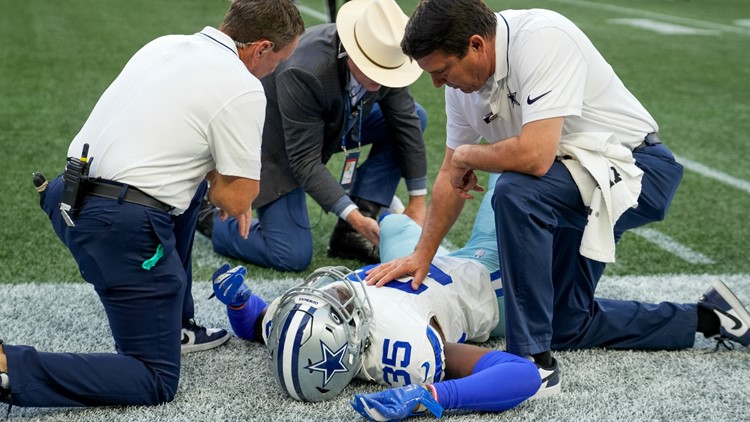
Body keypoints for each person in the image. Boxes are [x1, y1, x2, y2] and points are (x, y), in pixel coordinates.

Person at [364, 0, 750, 397]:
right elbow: (450, 174)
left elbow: (534, 156)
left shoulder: (542, 38)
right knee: (566, 322)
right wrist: (421, 256)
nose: (438, 84)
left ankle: (532, 362)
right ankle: (711, 317)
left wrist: (469, 155)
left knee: (516, 191)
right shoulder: (466, 83)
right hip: (574, 183)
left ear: (477, 45)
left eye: (442, 71)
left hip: (639, 171)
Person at [0, 0, 303, 409]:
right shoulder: (244, 85)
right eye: (282, 58)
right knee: (155, 377)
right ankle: (9, 366)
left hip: (65, 196)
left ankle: (175, 325)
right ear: (262, 48)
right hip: (118, 225)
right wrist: (226, 177)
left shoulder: (166, 44)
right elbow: (234, 199)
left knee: (191, 184)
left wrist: (211, 172)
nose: (278, 69)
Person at [198, 0, 429, 270]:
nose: (380, 80)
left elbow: (407, 124)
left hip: (331, 124)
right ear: (350, 51)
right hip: (277, 144)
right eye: (372, 68)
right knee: (290, 254)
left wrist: (418, 201)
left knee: (416, 115)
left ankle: (351, 235)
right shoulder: (304, 69)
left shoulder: (387, 57)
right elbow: (304, 160)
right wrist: (351, 214)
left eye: (386, 71)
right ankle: (209, 217)